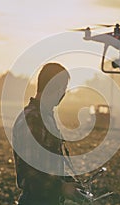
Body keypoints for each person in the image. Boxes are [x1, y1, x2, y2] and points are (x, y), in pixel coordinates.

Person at [12, 63, 81, 205]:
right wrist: (62, 187)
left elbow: (49, 165)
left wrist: (68, 182)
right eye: (63, 88)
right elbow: (32, 173)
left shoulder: (46, 116)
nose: (63, 93)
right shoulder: (32, 119)